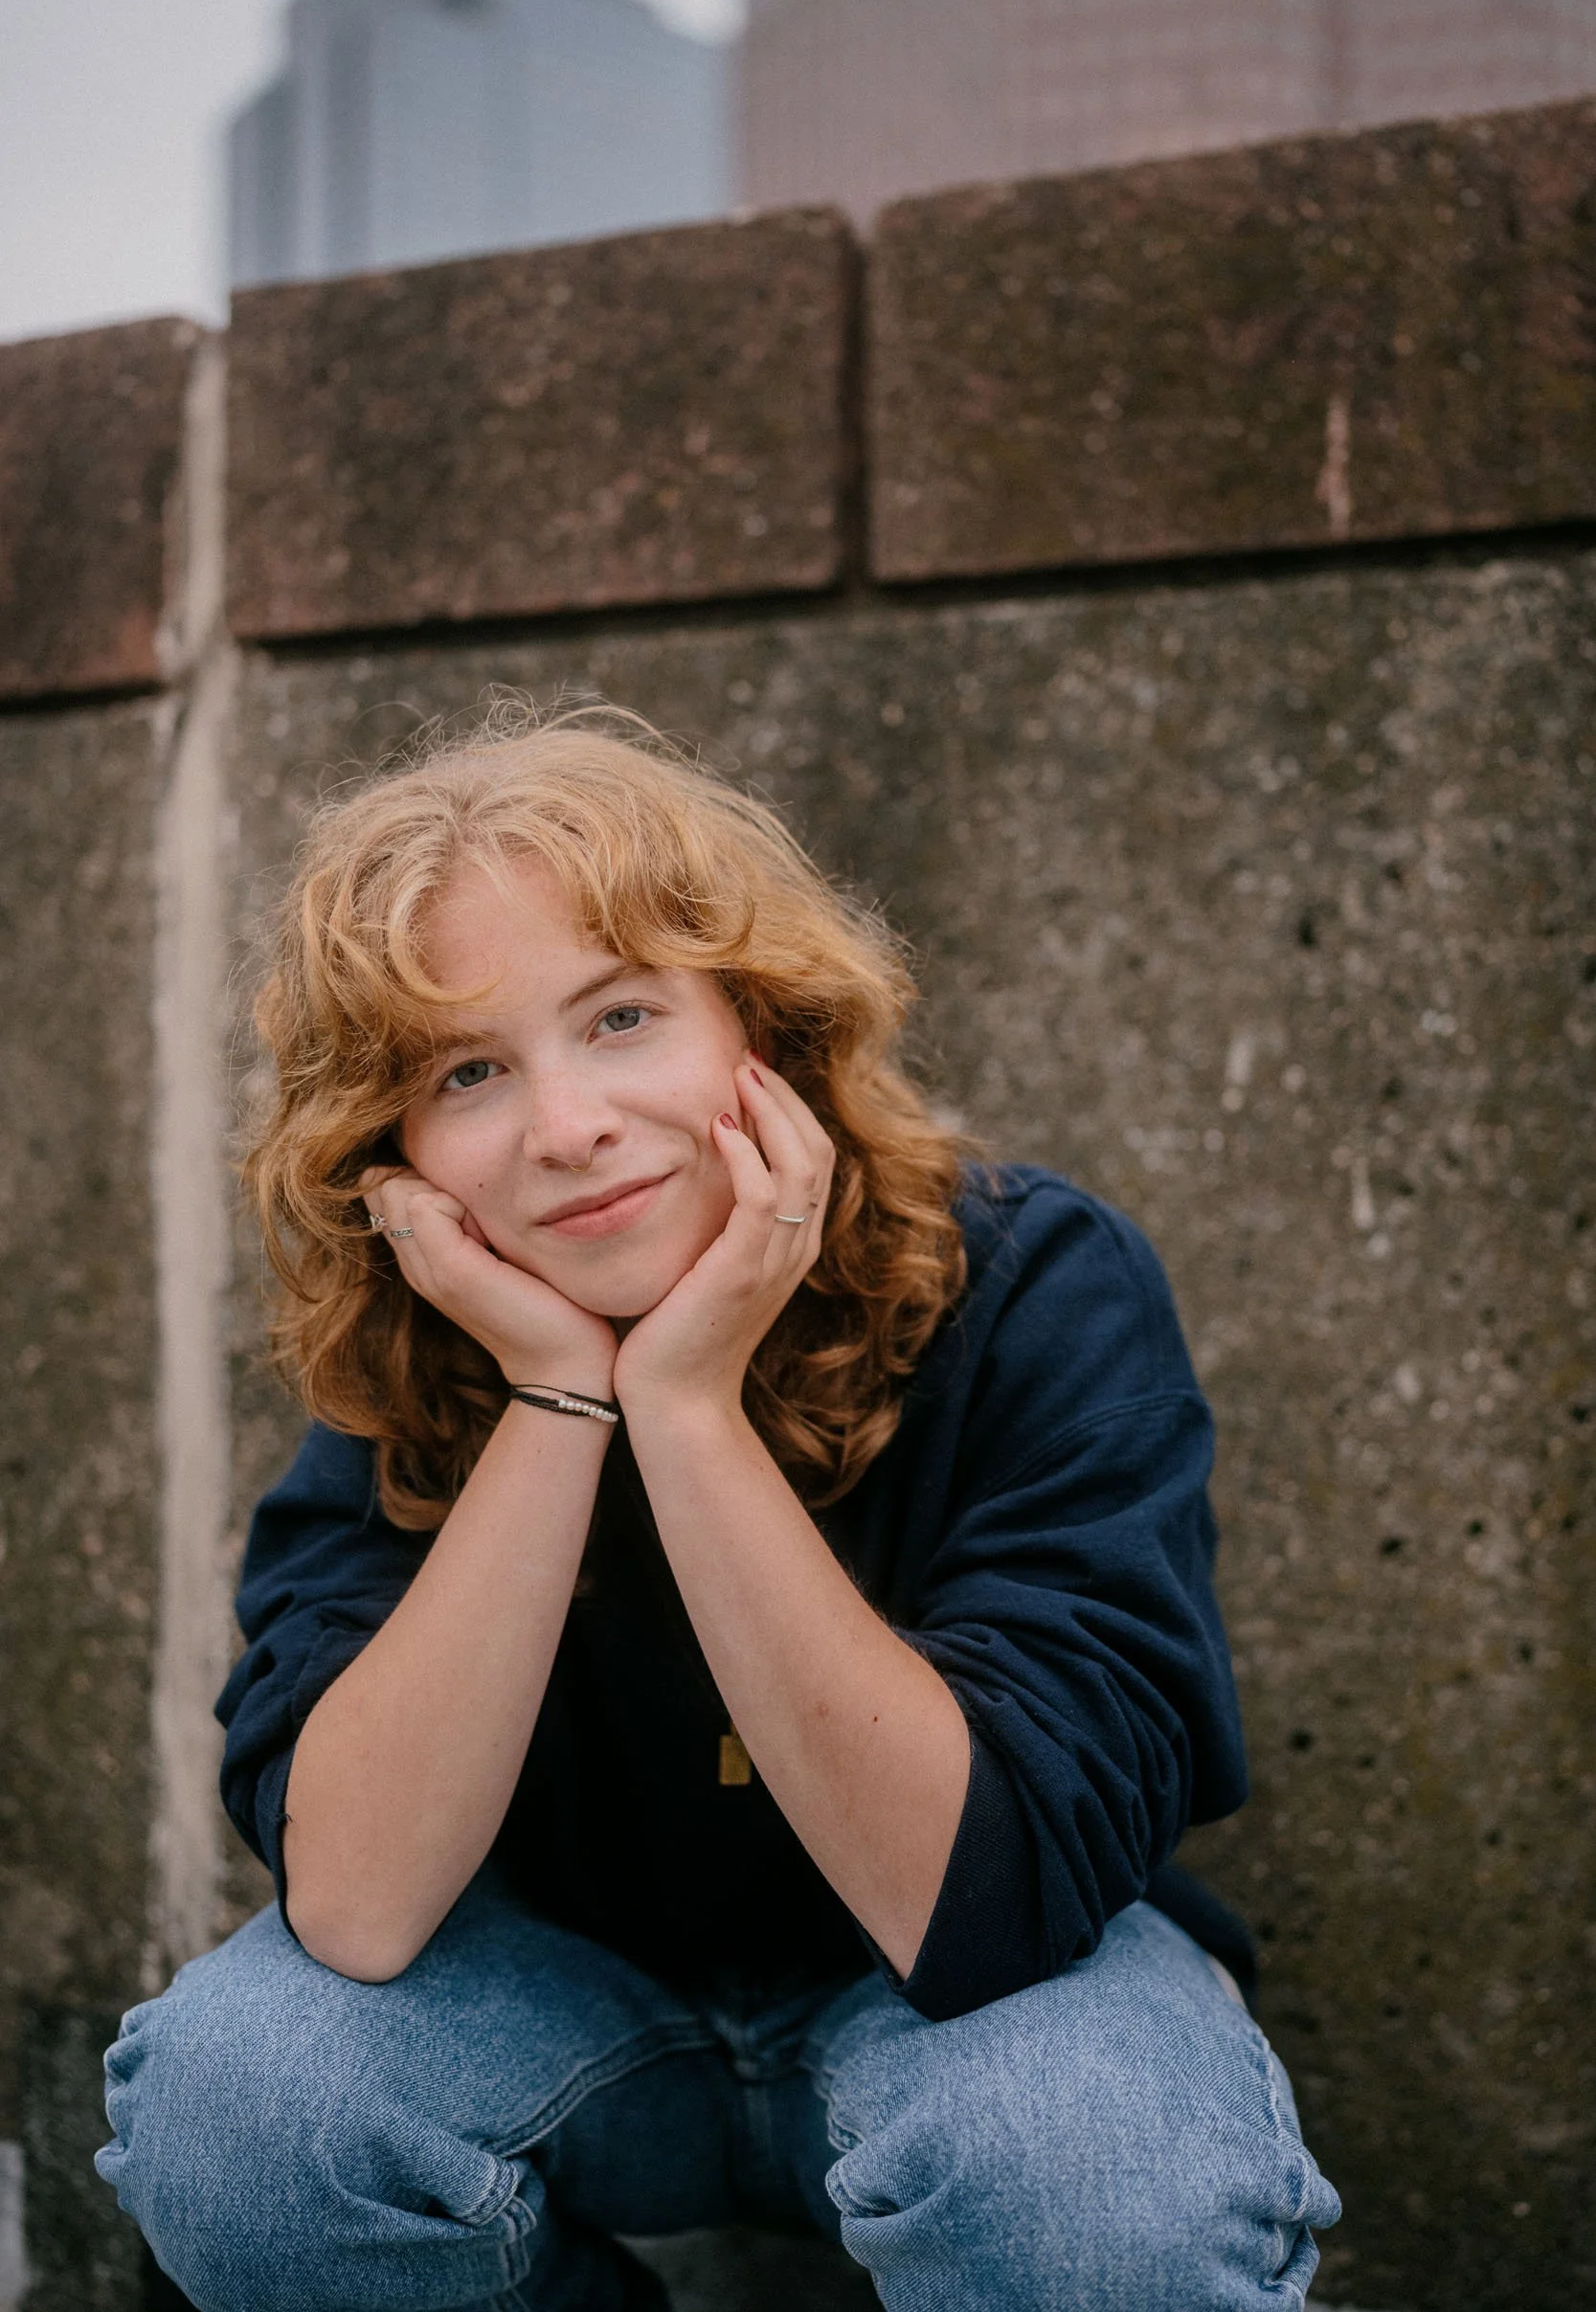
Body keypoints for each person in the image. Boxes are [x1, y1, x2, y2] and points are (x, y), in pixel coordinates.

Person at [97, 711, 1339, 2312]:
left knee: (1094, 2173)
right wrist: (559, 1391)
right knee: (239, 2105)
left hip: (987, 2001)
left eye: (619, 1019)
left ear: (763, 1026)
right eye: (467, 1073)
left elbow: (976, 1909)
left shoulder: (1030, 1284)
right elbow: (352, 1906)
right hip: (569, 2011)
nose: (564, 1129)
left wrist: (683, 1407)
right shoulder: (417, 1361)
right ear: (394, 1161)